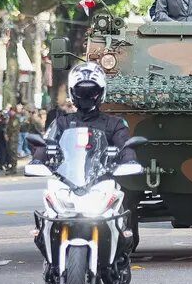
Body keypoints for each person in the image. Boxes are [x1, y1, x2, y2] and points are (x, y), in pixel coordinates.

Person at [37, 63, 139, 254]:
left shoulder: (115, 124)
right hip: (68, 182)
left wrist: (129, 161)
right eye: (81, 92)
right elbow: (46, 145)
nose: (86, 96)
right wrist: (37, 161)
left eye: (91, 92)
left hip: (101, 182)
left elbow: (125, 146)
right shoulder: (60, 123)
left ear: (100, 92)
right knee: (48, 214)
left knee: (123, 212)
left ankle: (120, 249)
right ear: (72, 92)